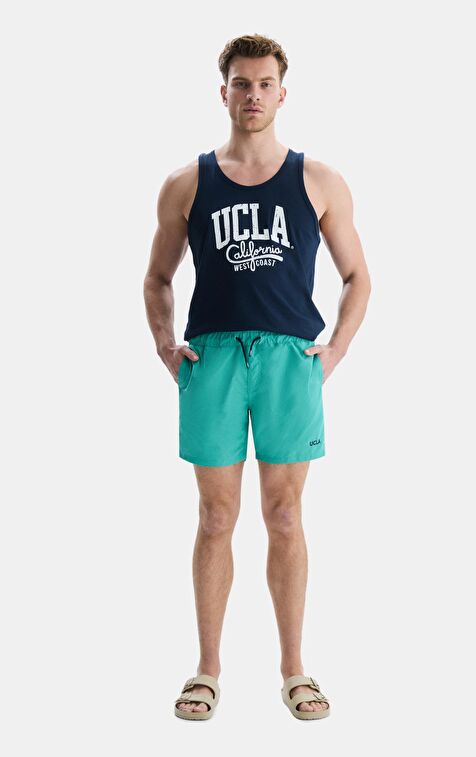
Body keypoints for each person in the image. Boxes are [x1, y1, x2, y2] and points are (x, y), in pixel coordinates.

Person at [143, 33, 371, 721]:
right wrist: (165, 346)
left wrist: (333, 353)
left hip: (288, 360)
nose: (252, 95)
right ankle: (207, 668)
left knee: (285, 514)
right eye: (241, 83)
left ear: (281, 92)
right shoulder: (187, 183)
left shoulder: (317, 179)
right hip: (212, 358)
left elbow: (357, 276)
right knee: (215, 516)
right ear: (224, 93)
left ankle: (294, 668)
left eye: (264, 83)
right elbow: (156, 278)